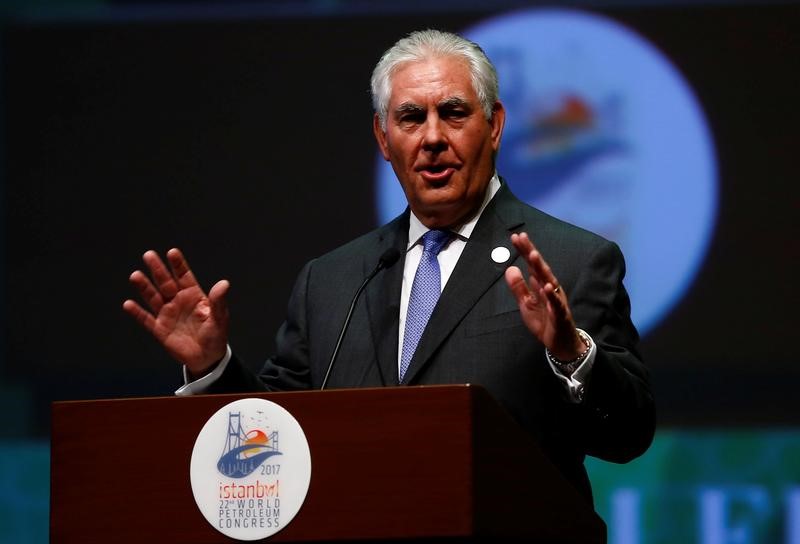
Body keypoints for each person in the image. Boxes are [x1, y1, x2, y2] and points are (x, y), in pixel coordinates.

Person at [123, 29, 654, 504]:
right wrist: (212, 368)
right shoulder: (331, 281)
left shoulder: (572, 261)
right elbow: (276, 439)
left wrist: (572, 353)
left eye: (453, 112)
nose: (432, 138)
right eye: (410, 117)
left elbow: (628, 435)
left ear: (494, 126)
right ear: (383, 139)